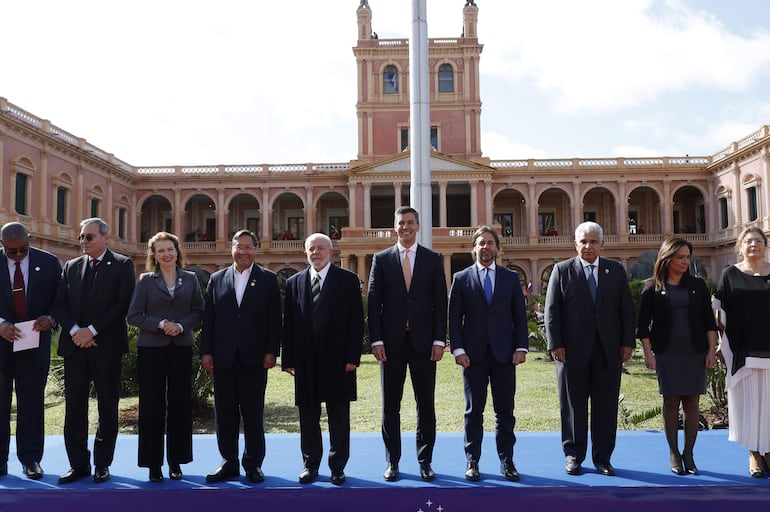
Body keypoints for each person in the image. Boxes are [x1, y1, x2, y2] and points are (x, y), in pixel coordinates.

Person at [544, 221, 634, 477]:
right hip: (571, 353)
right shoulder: (562, 271)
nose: (588, 246)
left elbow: (626, 310)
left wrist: (627, 343)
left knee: (606, 407)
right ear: (575, 244)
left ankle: (603, 457)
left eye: (593, 241)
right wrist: (555, 344)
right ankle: (573, 455)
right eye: (583, 241)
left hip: (608, 352)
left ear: (601, 244)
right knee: (573, 406)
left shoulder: (615, 271)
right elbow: (552, 312)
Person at [367, 206, 447, 482]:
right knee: (391, 406)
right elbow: (374, 303)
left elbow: (440, 303)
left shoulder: (433, 259)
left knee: (425, 406)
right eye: (401, 223)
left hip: (424, 345)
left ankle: (425, 462)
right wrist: (376, 339)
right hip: (390, 346)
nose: (406, 227)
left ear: (418, 226)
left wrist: (439, 340)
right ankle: (393, 462)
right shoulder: (381, 259)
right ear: (395, 227)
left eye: (410, 222)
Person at [54, 218, 136, 484]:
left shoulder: (123, 265)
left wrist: (92, 330)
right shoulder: (71, 266)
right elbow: (60, 304)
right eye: (81, 237)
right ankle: (78, 464)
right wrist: (77, 330)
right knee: (74, 408)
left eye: (89, 237)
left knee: (107, 408)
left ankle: (102, 464)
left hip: (106, 348)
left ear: (105, 238)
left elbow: (122, 304)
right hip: (75, 347)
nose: (83, 242)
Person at [199, 229, 281, 483]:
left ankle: (253, 464)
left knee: (253, 413)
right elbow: (209, 319)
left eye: (248, 246)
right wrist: (206, 351)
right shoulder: (216, 278)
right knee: (224, 414)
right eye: (238, 246)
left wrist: (271, 351)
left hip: (255, 358)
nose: (243, 251)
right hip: (222, 356)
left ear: (255, 249)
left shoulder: (268, 279)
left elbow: (274, 320)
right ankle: (229, 462)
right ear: (231, 248)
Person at [282, 233, 363, 485]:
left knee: (339, 416)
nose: (315, 253)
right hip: (305, 362)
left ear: (330, 251)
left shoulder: (347, 280)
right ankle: (310, 464)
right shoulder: (294, 282)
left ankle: (338, 466)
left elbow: (356, 322)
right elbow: (290, 324)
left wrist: (353, 357)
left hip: (339, 361)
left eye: (320, 248)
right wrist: (289, 359)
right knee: (308, 417)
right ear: (305, 253)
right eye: (310, 249)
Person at [448, 226, 528, 482]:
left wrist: (521, 347)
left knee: (505, 412)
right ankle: (472, 461)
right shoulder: (461, 278)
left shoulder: (510, 278)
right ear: (474, 248)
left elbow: (519, 317)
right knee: (474, 412)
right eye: (481, 243)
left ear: (497, 247)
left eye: (490, 243)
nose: (486, 247)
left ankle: (508, 461)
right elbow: (453, 319)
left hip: (505, 355)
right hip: (473, 357)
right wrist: (458, 350)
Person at [636, 238, 717, 475]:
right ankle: (673, 452)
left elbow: (708, 322)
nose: (685, 261)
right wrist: (648, 354)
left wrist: (711, 351)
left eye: (687, 257)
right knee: (670, 401)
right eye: (680, 257)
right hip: (667, 353)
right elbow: (643, 327)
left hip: (695, 352)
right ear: (667, 258)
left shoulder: (698, 286)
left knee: (692, 402)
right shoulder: (652, 288)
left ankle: (689, 454)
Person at [127, 232, 203, 482]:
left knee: (180, 404)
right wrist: (160, 323)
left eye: (170, 249)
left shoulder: (190, 279)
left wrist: (180, 326)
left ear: (177, 251)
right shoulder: (146, 280)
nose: (166, 254)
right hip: (151, 349)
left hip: (180, 346)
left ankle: (176, 461)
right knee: (151, 405)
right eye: (161, 251)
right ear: (154, 255)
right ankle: (153, 464)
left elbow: (199, 311)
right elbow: (134, 316)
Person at [0, 222, 61, 480]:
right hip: (1, 344)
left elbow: (61, 300)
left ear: (30, 240)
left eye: (22, 250)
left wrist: (51, 318)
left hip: (34, 344)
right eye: (10, 251)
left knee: (32, 403)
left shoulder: (49, 263)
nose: (17, 255)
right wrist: (0, 324)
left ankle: (31, 459)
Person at [714, 226, 770, 478]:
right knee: (749, 403)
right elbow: (719, 314)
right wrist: (719, 343)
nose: (753, 245)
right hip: (743, 349)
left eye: (758, 240)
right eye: (748, 241)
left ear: (765, 246)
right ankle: (754, 453)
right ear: (740, 246)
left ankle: (768, 450)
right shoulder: (730, 274)